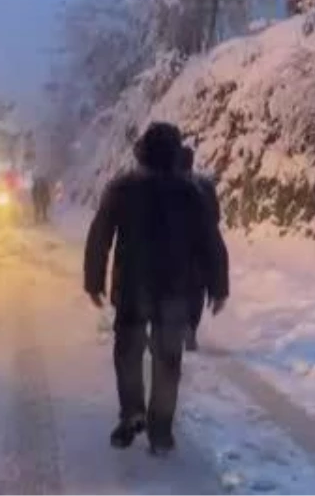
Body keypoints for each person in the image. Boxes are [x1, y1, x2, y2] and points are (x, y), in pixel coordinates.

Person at [83, 122, 227, 455]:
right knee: (168, 361)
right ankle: (160, 431)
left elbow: (99, 235)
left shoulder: (123, 187)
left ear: (142, 150)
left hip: (133, 288)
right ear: (178, 153)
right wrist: (218, 286)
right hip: (175, 291)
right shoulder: (191, 192)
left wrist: (94, 280)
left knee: (128, 354)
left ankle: (132, 410)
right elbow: (210, 241)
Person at [176, 145, 229, 352]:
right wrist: (220, 289)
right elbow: (215, 218)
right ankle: (189, 328)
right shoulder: (204, 186)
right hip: (199, 249)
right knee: (195, 291)